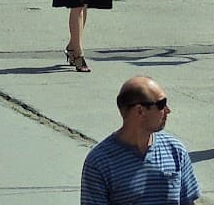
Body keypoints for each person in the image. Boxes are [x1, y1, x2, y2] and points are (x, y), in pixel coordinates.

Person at [81, 75, 202, 205]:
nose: (168, 110)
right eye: (161, 104)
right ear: (140, 111)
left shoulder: (175, 151)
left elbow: (189, 202)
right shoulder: (100, 162)